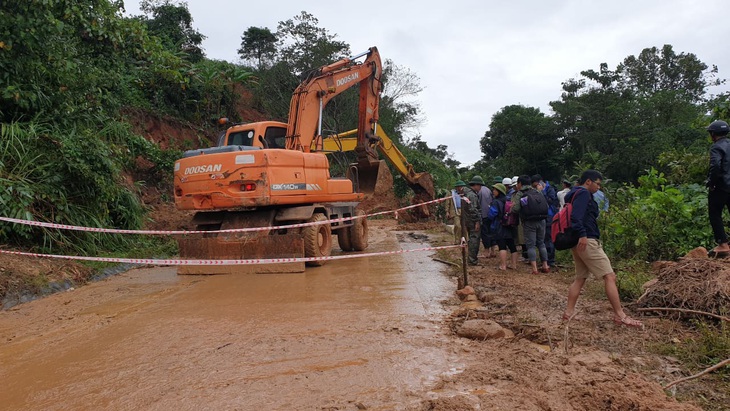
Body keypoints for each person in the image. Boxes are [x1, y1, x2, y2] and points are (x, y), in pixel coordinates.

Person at [562, 170, 643, 329]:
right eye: (597, 183)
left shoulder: (573, 194)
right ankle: (620, 315)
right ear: (588, 182)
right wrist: (583, 235)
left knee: (580, 278)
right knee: (610, 276)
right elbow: (576, 218)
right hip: (587, 241)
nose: (599, 187)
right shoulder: (584, 194)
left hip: (578, 241)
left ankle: (568, 313)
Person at [510, 175, 550, 274]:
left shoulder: (520, 193)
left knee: (531, 245)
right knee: (541, 243)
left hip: (529, 222)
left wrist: (512, 207)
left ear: (519, 184)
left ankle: (534, 269)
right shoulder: (537, 191)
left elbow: (516, 209)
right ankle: (545, 265)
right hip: (542, 220)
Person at [706, 119, 730, 257]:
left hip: (722, 186)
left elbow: (715, 166)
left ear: (713, 134)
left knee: (715, 213)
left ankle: (723, 244)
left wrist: (712, 183)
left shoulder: (716, 147)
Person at [487, 183, 519, 270]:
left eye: (495, 190)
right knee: (512, 246)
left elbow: (492, 214)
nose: (493, 191)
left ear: (499, 191)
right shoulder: (508, 199)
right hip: (510, 225)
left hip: (500, 226)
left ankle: (503, 265)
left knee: (502, 246)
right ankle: (514, 265)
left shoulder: (496, 202)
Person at [472, 175, 496, 258]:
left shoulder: (480, 192)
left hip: (484, 215)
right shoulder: (488, 190)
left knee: (485, 234)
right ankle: (493, 251)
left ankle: (487, 251)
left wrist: (479, 218)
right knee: (491, 232)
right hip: (490, 214)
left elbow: (479, 206)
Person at [462, 177, 481, 266]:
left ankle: (471, 258)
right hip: (473, 221)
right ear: (476, 185)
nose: (480, 188)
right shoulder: (472, 195)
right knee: (474, 240)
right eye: (479, 185)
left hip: (467, 220)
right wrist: (477, 221)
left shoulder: (466, 194)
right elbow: (473, 209)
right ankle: (472, 260)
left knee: (471, 239)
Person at [450, 181, 466, 245]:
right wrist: (447, 211)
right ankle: (457, 240)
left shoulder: (466, 193)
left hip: (464, 210)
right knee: (458, 226)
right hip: (456, 210)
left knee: (464, 226)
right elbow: (448, 203)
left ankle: (465, 240)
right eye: (459, 187)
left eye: (461, 187)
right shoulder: (452, 193)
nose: (460, 188)